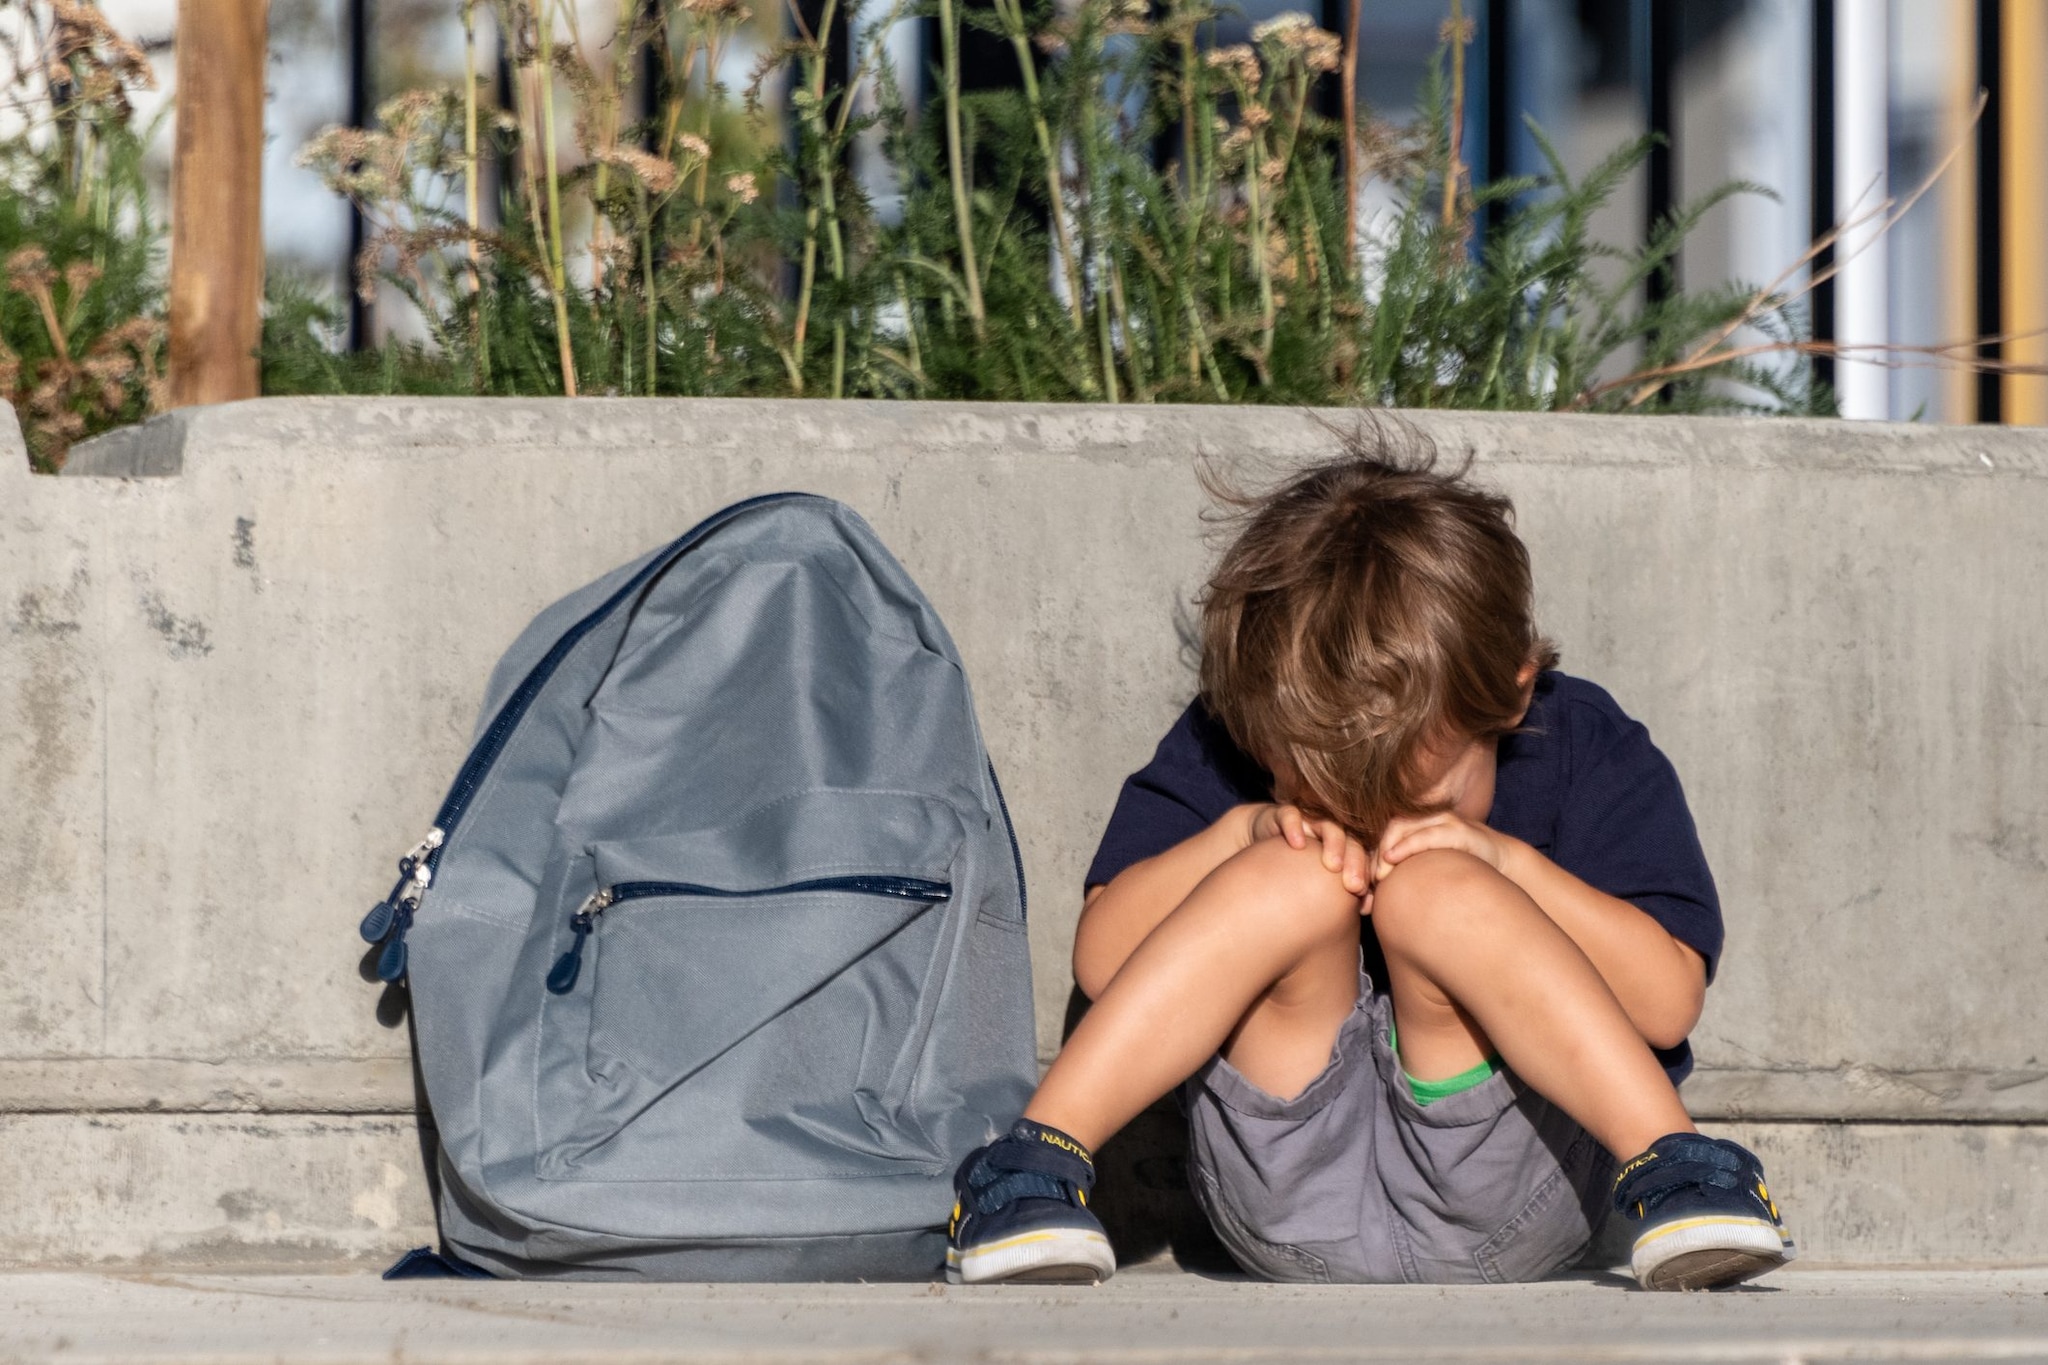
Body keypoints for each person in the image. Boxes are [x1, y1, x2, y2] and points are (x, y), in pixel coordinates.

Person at [944, 429, 1794, 1291]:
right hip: (1287, 1186)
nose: (1379, 831)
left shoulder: (1580, 743)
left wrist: (1503, 863)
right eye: (1326, 796)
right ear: (1253, 723)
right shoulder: (1233, 738)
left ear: (1511, 687)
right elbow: (1103, 958)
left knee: (1434, 889)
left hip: (1508, 1190)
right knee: (1294, 874)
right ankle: (1031, 1165)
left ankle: (1677, 1164)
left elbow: (1665, 1000)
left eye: (1418, 802)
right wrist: (1243, 834)